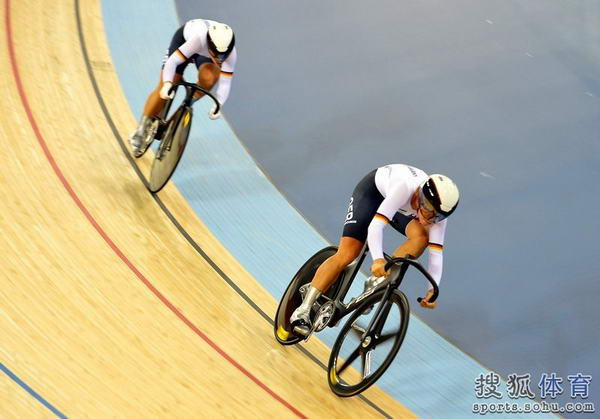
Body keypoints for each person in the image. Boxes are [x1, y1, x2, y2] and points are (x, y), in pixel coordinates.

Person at [290, 164, 459, 327]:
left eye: (438, 217)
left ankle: (376, 281)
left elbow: (436, 254)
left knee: (421, 238)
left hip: (399, 207)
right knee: (349, 253)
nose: (431, 220)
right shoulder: (405, 188)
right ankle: (303, 308)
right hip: (373, 193)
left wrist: (432, 290)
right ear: (422, 198)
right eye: (430, 212)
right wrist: (378, 259)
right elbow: (376, 227)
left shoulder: (437, 214)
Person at [129, 19, 237, 154]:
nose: (220, 60)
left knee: (209, 79)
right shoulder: (198, 40)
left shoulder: (230, 53)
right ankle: (141, 130)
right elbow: (172, 62)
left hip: (206, 53)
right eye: (217, 56)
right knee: (166, 84)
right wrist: (168, 83)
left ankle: (186, 105)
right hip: (184, 42)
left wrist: (218, 104)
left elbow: (225, 82)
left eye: (223, 57)